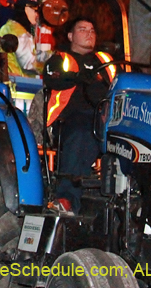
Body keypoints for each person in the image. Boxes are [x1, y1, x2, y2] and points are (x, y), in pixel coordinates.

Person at [33, 17, 116, 213]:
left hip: (106, 119)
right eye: (83, 29)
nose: (89, 33)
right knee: (82, 131)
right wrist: (80, 77)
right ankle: (66, 198)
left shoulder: (107, 61)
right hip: (70, 119)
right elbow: (55, 78)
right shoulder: (60, 60)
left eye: (92, 30)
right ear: (70, 36)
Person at [0, 0, 40, 77]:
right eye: (35, 11)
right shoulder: (20, 32)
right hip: (20, 82)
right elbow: (28, 64)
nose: (37, 15)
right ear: (25, 10)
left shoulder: (7, 27)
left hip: (8, 77)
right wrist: (48, 64)